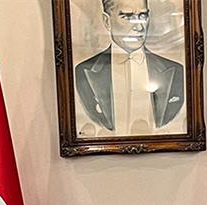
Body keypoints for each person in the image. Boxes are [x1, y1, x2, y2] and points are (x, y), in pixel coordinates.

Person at [75, 0, 185, 136]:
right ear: (107, 21)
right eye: (127, 16)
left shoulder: (176, 71)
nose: (139, 27)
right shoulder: (83, 72)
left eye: (143, 16)